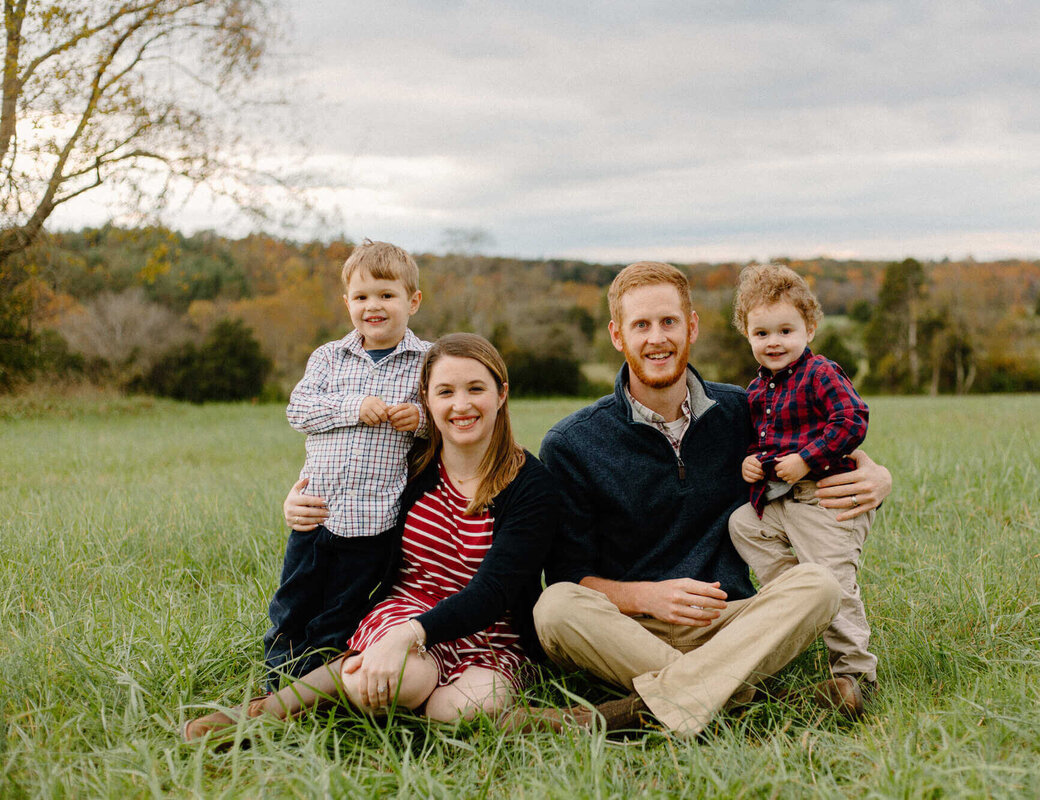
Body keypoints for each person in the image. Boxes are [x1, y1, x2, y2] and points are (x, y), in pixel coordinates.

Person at [515, 261, 891, 737]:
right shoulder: (573, 442)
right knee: (555, 607)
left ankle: (627, 714)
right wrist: (648, 596)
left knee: (817, 586)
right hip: (630, 630)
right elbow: (569, 575)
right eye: (641, 325)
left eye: (669, 321)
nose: (658, 338)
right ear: (617, 335)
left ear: (691, 326)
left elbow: (821, 442)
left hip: (732, 622)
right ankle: (754, 700)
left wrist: (877, 473)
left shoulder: (742, 410)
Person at [183, 334, 560, 740]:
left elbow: (494, 592)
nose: (461, 405)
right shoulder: (410, 465)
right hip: (406, 609)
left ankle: (582, 719)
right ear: (427, 400)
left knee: (457, 712)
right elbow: (345, 488)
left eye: (476, 389)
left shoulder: (531, 486)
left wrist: (411, 636)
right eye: (445, 391)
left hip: (492, 633)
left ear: (501, 394)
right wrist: (297, 501)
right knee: (384, 686)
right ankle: (260, 714)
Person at [264, 239, 430, 686]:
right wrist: (354, 407)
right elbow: (298, 410)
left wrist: (420, 419)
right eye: (361, 297)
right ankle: (276, 681)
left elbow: (448, 420)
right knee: (293, 602)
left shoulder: (427, 362)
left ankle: (318, 683)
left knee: (344, 608)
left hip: (376, 519)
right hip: (316, 513)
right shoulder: (329, 358)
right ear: (347, 303)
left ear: (412, 301)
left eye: (386, 295)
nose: (372, 306)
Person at [726, 263, 878, 717]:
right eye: (762, 333)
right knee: (740, 523)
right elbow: (765, 441)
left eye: (786, 330)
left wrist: (808, 458)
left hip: (821, 496)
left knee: (835, 581)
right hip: (778, 500)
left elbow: (852, 420)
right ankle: (798, 601)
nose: (774, 342)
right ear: (747, 335)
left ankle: (857, 674)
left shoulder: (820, 373)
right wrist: (753, 462)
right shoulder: (757, 390)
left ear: (809, 328)